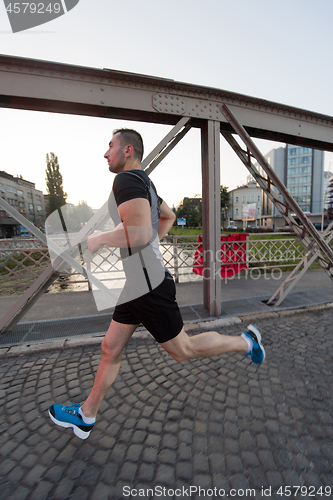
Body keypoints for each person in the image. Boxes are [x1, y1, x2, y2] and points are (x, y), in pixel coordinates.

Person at [48, 128, 265, 439]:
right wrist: (146, 250)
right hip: (139, 282)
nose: (105, 152)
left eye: (110, 146)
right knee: (110, 347)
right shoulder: (147, 185)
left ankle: (247, 342)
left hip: (147, 285)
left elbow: (138, 234)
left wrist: (101, 239)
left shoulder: (125, 180)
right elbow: (168, 216)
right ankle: (86, 415)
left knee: (184, 350)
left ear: (127, 151)